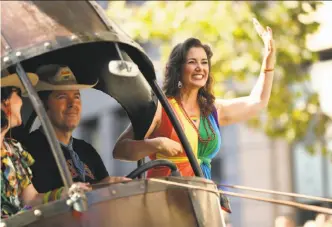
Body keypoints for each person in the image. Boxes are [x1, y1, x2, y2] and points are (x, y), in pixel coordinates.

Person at [112, 18, 275, 179]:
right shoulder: (160, 108)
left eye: (204, 62)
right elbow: (120, 149)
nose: (200, 68)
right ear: (178, 69)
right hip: (164, 197)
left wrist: (268, 61)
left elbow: (257, 101)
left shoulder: (212, 110)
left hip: (201, 197)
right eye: (192, 62)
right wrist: (157, 143)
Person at [22, 64, 130, 193]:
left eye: (76, 97)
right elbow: (34, 202)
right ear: (43, 105)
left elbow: (104, 194)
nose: (72, 104)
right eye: (62, 97)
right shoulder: (27, 150)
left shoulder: (87, 150)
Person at [1, 72, 91, 218]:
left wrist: (63, 193)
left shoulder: (14, 149)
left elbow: (31, 199)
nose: (21, 101)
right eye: (16, 94)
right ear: (5, 103)